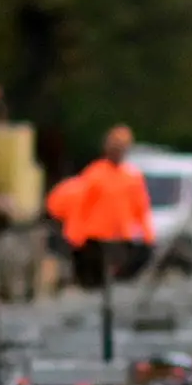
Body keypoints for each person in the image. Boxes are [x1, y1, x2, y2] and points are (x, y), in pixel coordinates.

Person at [46, 124, 155, 290]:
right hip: (94, 239)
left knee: (123, 271)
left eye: (122, 146)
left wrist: (148, 238)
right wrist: (75, 236)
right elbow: (80, 205)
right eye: (115, 145)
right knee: (93, 278)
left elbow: (141, 209)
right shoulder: (95, 174)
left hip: (121, 238)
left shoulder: (132, 177)